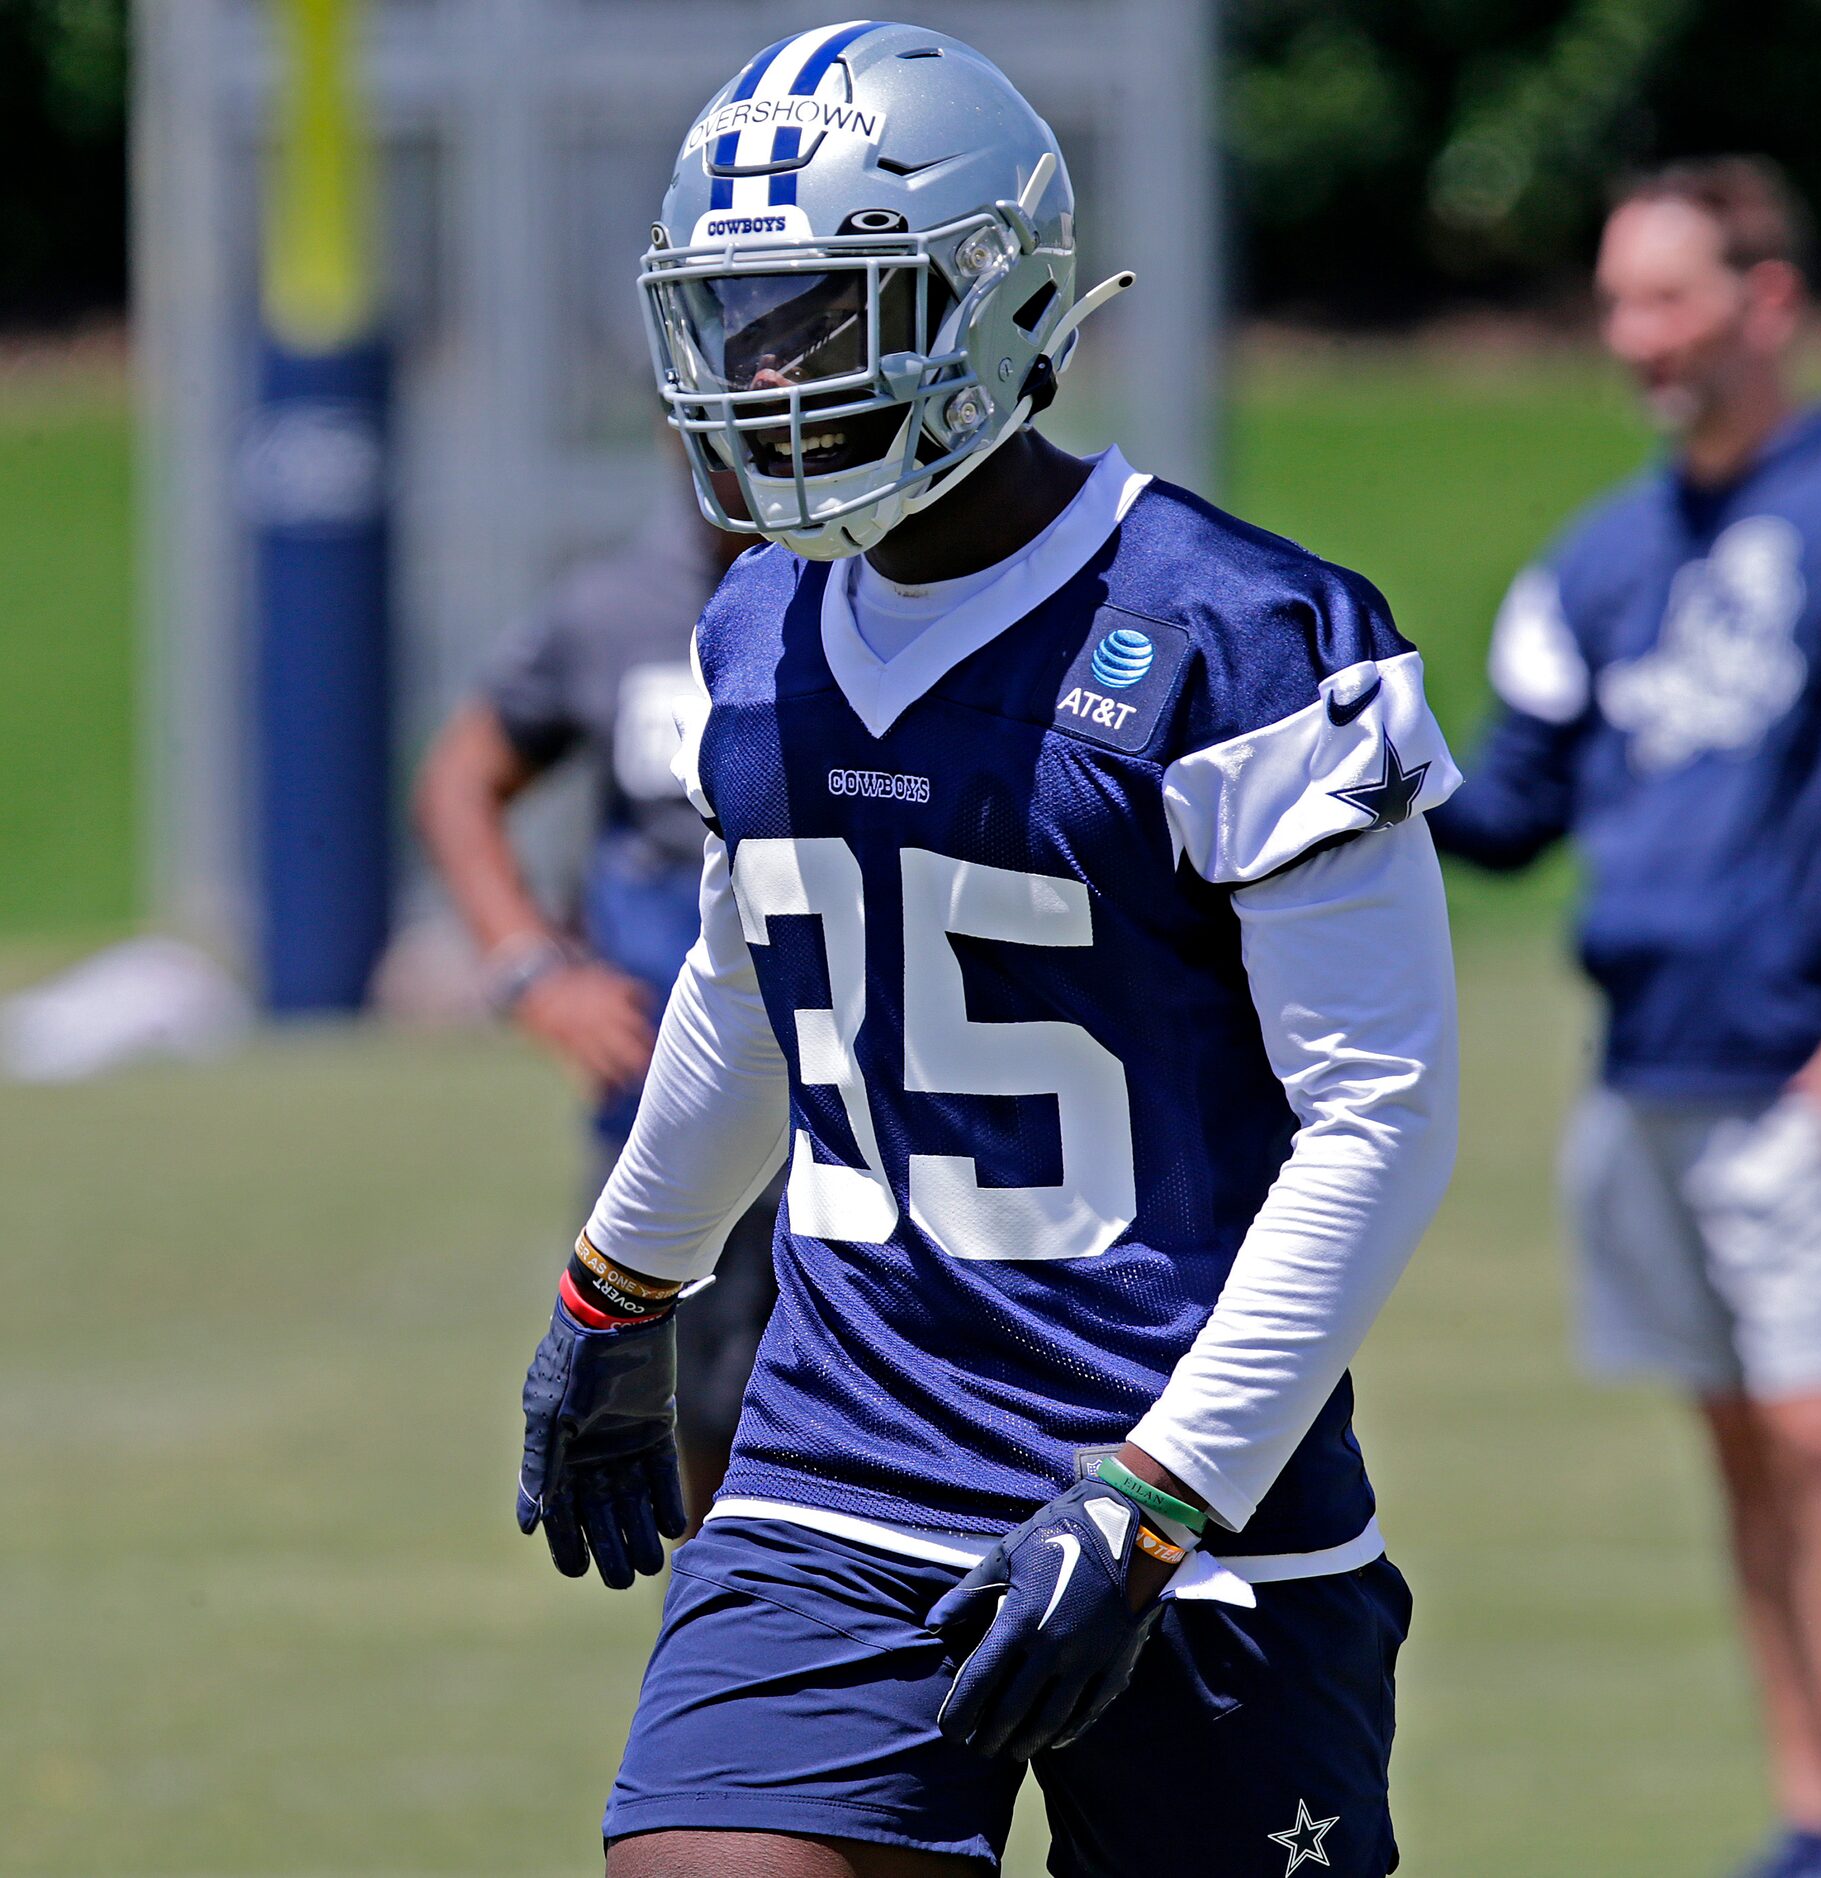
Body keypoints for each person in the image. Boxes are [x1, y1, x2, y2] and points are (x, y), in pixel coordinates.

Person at [512, 22, 1461, 1878]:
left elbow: (1381, 1112)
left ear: (988, 299)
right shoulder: (755, 629)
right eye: (736, 323)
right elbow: (751, 991)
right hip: (840, 1454)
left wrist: (1153, 1497)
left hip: (1198, 1491)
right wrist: (618, 1285)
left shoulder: (1240, 635)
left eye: (818, 315)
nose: (760, 379)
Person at [1431, 159, 1821, 1878]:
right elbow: (1511, 808)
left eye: (1666, 297)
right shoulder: (1596, 560)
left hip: (1814, 1058)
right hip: (1645, 1065)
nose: (1634, 337)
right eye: (1614, 302)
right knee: (1742, 1444)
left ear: (1767, 299)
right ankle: (1807, 1802)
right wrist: (1350, 763)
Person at [415, 477, 777, 1516]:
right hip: (676, 1112)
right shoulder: (611, 608)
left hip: (860, 1113)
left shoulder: (878, 592)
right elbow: (459, 781)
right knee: (694, 1448)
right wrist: (532, 968)